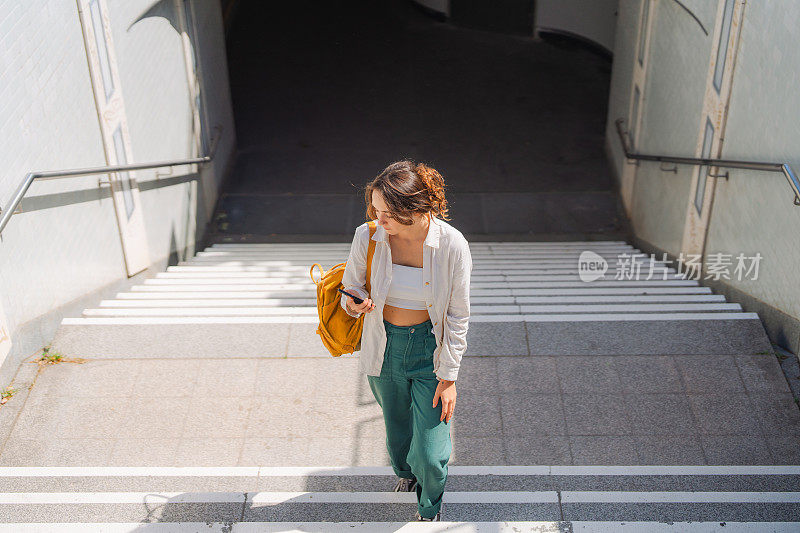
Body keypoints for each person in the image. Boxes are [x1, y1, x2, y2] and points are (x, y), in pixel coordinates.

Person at [340, 160, 472, 522]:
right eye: (375, 210)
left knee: (431, 449)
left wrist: (449, 377)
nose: (377, 220)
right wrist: (353, 302)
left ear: (413, 210)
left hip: (430, 350)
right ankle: (404, 473)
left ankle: (430, 508)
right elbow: (349, 289)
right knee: (397, 432)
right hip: (383, 345)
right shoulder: (367, 236)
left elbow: (458, 315)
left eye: (386, 214)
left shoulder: (451, 245)